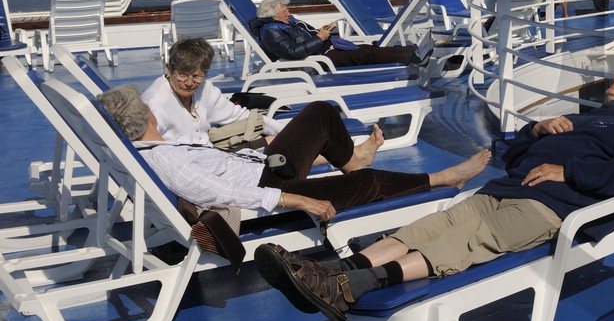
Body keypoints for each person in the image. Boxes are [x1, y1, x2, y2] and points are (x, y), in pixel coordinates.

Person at [254, 72, 614, 321]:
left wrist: (567, 171)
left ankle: (348, 286)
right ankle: (330, 272)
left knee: (461, 243)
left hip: (554, 205)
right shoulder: (577, 118)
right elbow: (507, 153)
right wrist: (535, 131)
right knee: (424, 228)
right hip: (504, 188)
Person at [97, 84, 487, 221]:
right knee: (368, 183)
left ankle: (352, 160)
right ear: (143, 116)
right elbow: (213, 193)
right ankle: (444, 178)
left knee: (319, 112)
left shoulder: (161, 145)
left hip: (264, 167)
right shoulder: (163, 157)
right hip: (270, 185)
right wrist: (296, 199)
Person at [144, 37, 289, 145]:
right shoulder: (155, 103)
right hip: (185, 168)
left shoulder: (205, 89)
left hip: (211, 156)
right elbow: (153, 150)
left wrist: (291, 134)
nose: (189, 83)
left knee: (277, 144)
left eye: (196, 76)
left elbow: (241, 116)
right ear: (169, 69)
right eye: (182, 74)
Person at [251, 0, 425, 69]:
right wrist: (319, 38)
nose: (288, 13)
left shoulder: (283, 24)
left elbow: (298, 40)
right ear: (274, 15)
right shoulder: (271, 32)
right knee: (367, 55)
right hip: (319, 60)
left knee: (366, 49)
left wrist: (319, 33)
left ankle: (415, 53)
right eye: (285, 11)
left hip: (323, 50)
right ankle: (414, 55)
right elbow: (292, 52)